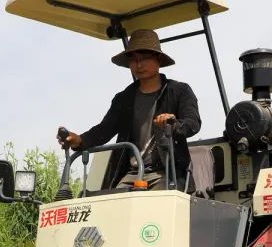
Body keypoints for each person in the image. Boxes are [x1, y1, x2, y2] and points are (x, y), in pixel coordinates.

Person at [59, 29, 200, 190]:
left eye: (144, 58)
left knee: (157, 202)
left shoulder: (179, 91)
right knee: (113, 202)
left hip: (168, 172)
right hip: (132, 173)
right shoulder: (123, 98)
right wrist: (79, 140)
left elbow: (193, 123)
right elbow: (104, 130)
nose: (139, 64)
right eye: (134, 59)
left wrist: (173, 125)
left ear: (158, 59)